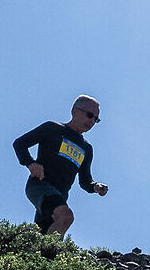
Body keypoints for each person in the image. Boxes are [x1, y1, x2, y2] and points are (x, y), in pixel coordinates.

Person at [13, 97, 108, 238]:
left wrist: (95, 187)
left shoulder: (86, 148)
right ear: (74, 111)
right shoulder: (52, 128)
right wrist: (31, 163)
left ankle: (41, 251)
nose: (92, 121)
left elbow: (85, 181)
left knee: (43, 236)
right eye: (89, 115)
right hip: (40, 186)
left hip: (61, 196)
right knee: (65, 217)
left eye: (96, 119)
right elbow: (20, 143)